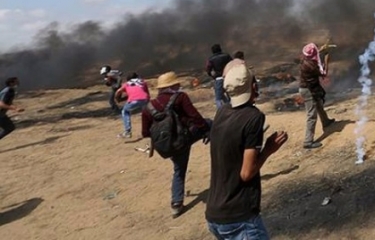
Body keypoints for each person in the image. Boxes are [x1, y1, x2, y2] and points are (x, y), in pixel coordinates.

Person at [206, 63, 288, 239]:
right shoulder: (253, 118)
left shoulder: (222, 112)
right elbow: (246, 173)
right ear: (253, 86)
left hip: (215, 214)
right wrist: (268, 149)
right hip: (239, 218)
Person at [141, 71, 212, 217]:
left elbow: (145, 133)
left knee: (179, 170)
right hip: (184, 138)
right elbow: (195, 117)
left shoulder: (148, 107)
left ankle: (176, 204)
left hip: (167, 146)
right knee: (210, 123)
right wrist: (206, 132)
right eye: (177, 83)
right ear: (173, 85)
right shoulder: (180, 97)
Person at [299, 43, 336, 150]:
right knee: (312, 115)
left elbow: (313, 55)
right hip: (309, 90)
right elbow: (323, 73)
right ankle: (308, 141)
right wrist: (326, 60)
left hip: (309, 89)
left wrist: (321, 50)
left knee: (318, 104)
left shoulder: (305, 59)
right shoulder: (311, 65)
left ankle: (326, 122)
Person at [115, 72, 150, 139]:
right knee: (147, 114)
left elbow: (118, 91)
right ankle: (149, 130)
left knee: (125, 111)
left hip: (133, 100)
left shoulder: (127, 84)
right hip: (145, 99)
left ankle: (127, 132)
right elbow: (146, 93)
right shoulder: (142, 82)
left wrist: (117, 99)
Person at [206, 44, 233, 110]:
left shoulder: (211, 59)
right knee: (230, 95)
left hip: (218, 79)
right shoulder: (226, 56)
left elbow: (208, 69)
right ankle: (232, 108)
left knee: (218, 98)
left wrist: (212, 76)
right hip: (228, 77)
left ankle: (221, 113)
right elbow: (232, 64)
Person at [0, 77, 23, 142]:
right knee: (9, 128)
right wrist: (15, 108)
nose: (18, 83)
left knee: (10, 127)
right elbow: (1, 104)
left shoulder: (10, 90)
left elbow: (7, 102)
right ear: (11, 83)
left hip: (2, 114)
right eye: (16, 81)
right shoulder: (8, 91)